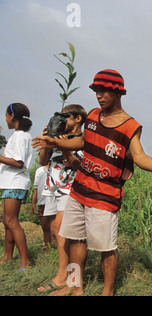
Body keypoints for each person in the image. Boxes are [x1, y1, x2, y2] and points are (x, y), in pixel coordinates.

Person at [32, 69, 152, 296]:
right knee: (75, 240)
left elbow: (140, 157)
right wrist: (54, 141)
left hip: (105, 195)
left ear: (118, 92)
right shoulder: (93, 116)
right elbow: (82, 142)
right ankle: (76, 287)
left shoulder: (130, 126)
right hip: (79, 190)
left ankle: (107, 292)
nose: (98, 95)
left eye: (104, 91)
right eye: (96, 91)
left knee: (106, 249)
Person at [36, 104, 86, 293]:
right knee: (57, 232)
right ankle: (66, 276)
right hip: (53, 189)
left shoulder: (81, 140)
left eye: (65, 117)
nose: (60, 121)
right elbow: (43, 162)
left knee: (64, 231)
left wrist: (63, 146)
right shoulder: (56, 138)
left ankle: (64, 277)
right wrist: (46, 143)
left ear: (77, 119)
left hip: (71, 190)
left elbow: (78, 166)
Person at [0, 103, 33, 271]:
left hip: (16, 181)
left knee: (11, 221)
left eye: (6, 116)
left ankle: (25, 261)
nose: (5, 119)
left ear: (12, 116)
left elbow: (18, 162)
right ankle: (7, 255)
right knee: (7, 221)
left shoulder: (20, 136)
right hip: (10, 181)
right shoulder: (18, 135)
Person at [31, 164, 51, 253]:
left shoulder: (56, 169)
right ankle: (48, 249)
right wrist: (33, 203)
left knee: (56, 226)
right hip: (42, 202)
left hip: (53, 201)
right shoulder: (39, 171)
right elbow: (36, 188)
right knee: (45, 226)